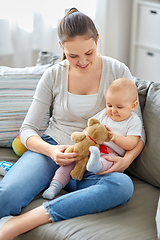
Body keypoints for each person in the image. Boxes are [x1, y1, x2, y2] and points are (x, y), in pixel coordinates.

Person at [0, 8, 145, 240]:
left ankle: (26, 220)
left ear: (97, 40)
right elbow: (27, 129)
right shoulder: (53, 75)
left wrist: (125, 161)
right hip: (53, 152)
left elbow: (140, 133)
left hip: (93, 164)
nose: (83, 62)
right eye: (73, 56)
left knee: (122, 186)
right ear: (61, 47)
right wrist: (50, 150)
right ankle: (37, 177)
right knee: (5, 197)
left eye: (89, 52)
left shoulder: (118, 71)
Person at [42, 78, 143, 200]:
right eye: (109, 105)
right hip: (93, 146)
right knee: (72, 161)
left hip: (111, 153)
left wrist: (115, 138)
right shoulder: (104, 114)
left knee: (107, 161)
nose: (113, 110)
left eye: (119, 107)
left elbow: (132, 143)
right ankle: (55, 186)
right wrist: (86, 136)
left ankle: (95, 164)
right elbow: (90, 127)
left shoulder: (133, 121)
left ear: (133, 106)